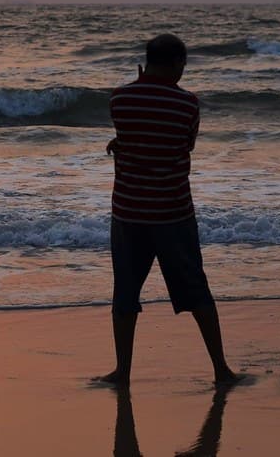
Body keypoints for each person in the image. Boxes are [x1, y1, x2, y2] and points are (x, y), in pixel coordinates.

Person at [93, 34, 240, 389]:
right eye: (182, 65)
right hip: (173, 212)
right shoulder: (187, 104)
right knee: (196, 290)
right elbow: (184, 144)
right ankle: (221, 369)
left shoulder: (120, 97)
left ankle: (122, 373)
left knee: (125, 294)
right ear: (176, 62)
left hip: (128, 213)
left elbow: (128, 135)